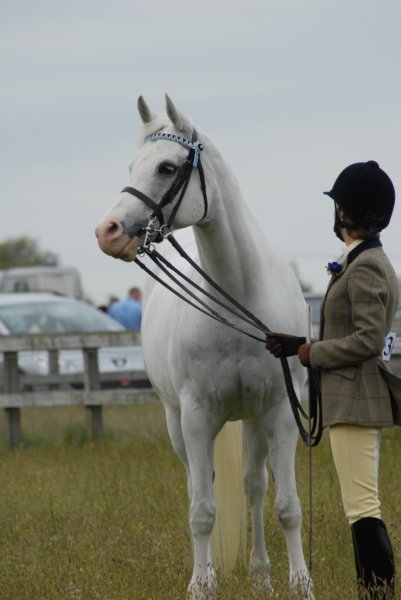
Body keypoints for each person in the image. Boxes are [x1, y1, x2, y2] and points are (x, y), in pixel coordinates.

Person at [266, 160, 401, 599]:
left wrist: (311, 353)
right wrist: (296, 345)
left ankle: (377, 594)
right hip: (350, 399)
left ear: (346, 213)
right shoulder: (362, 260)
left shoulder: (365, 267)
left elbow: (366, 339)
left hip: (357, 401)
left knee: (363, 509)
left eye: (339, 204)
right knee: (359, 508)